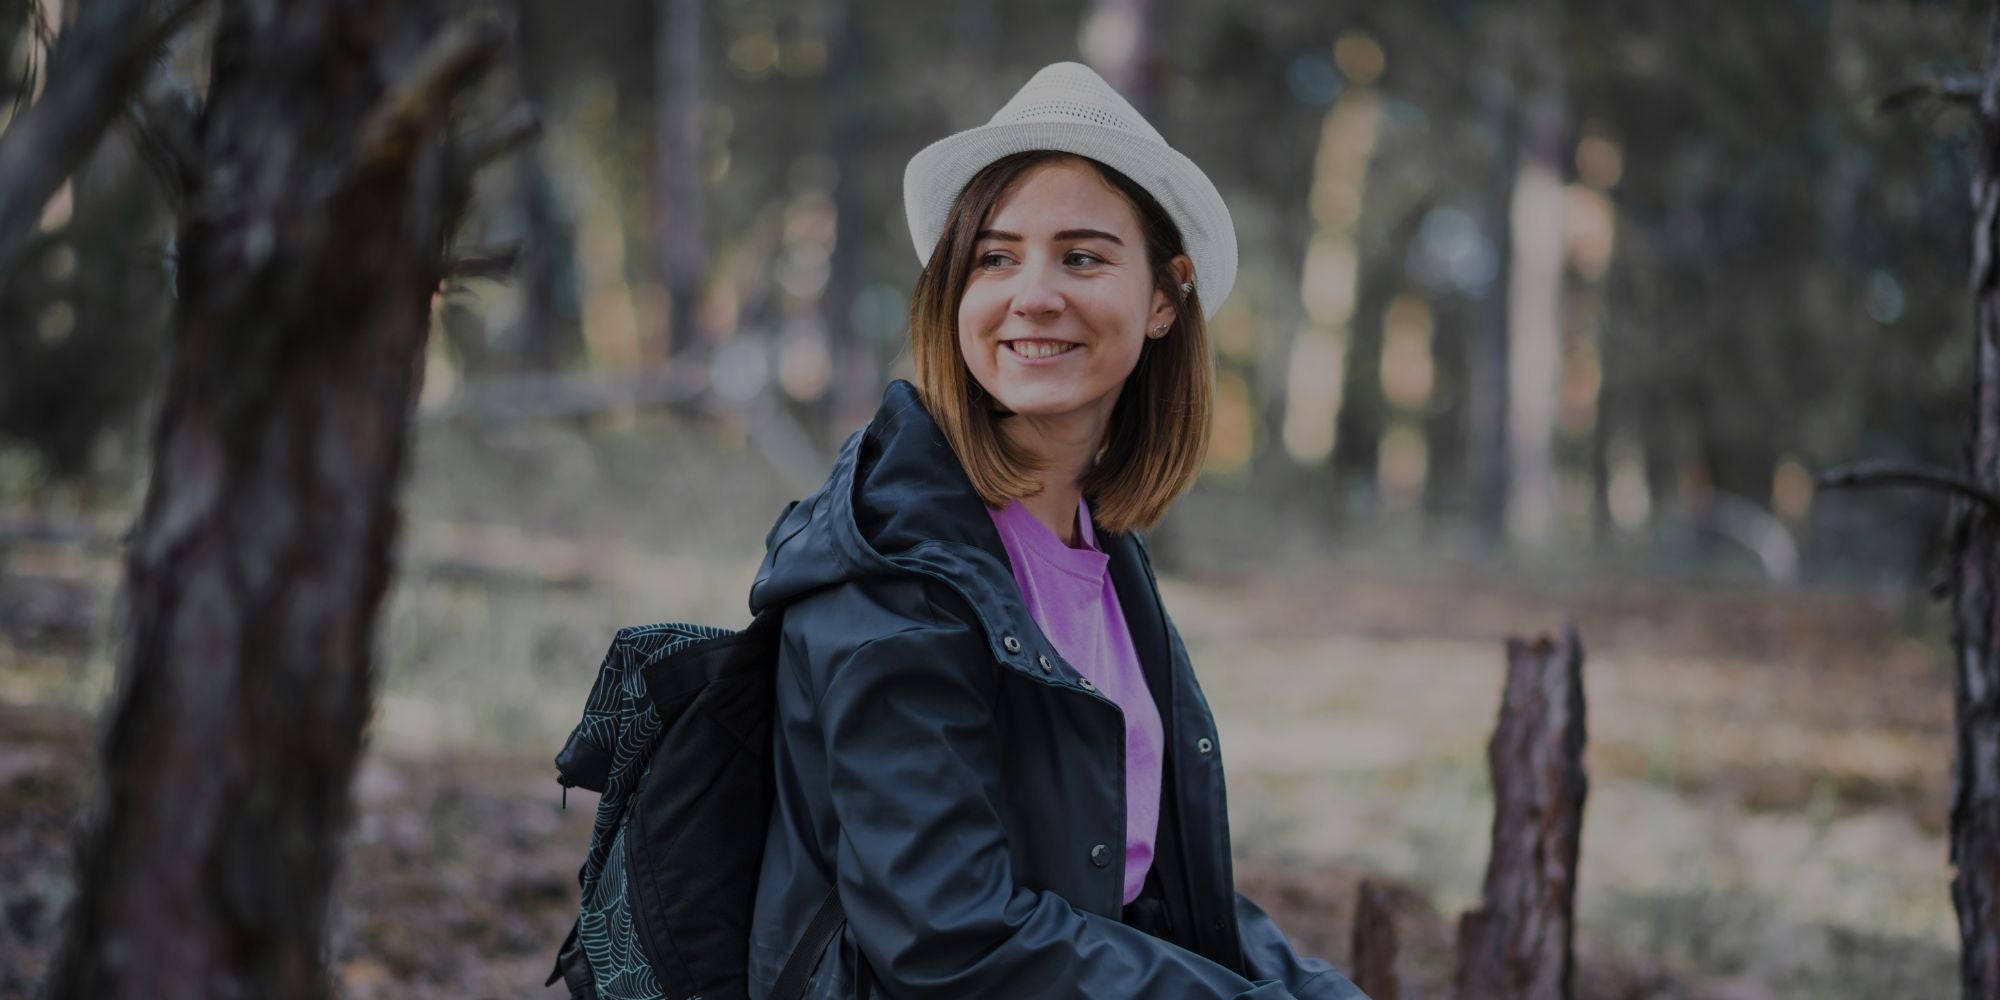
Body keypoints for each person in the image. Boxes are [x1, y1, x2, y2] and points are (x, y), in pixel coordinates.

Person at [744, 61, 1368, 1000]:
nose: (1032, 295)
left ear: (1165, 297)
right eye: (995, 257)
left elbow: (1152, 883)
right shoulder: (890, 571)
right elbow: (947, 938)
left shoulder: (1105, 557)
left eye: (1081, 257)